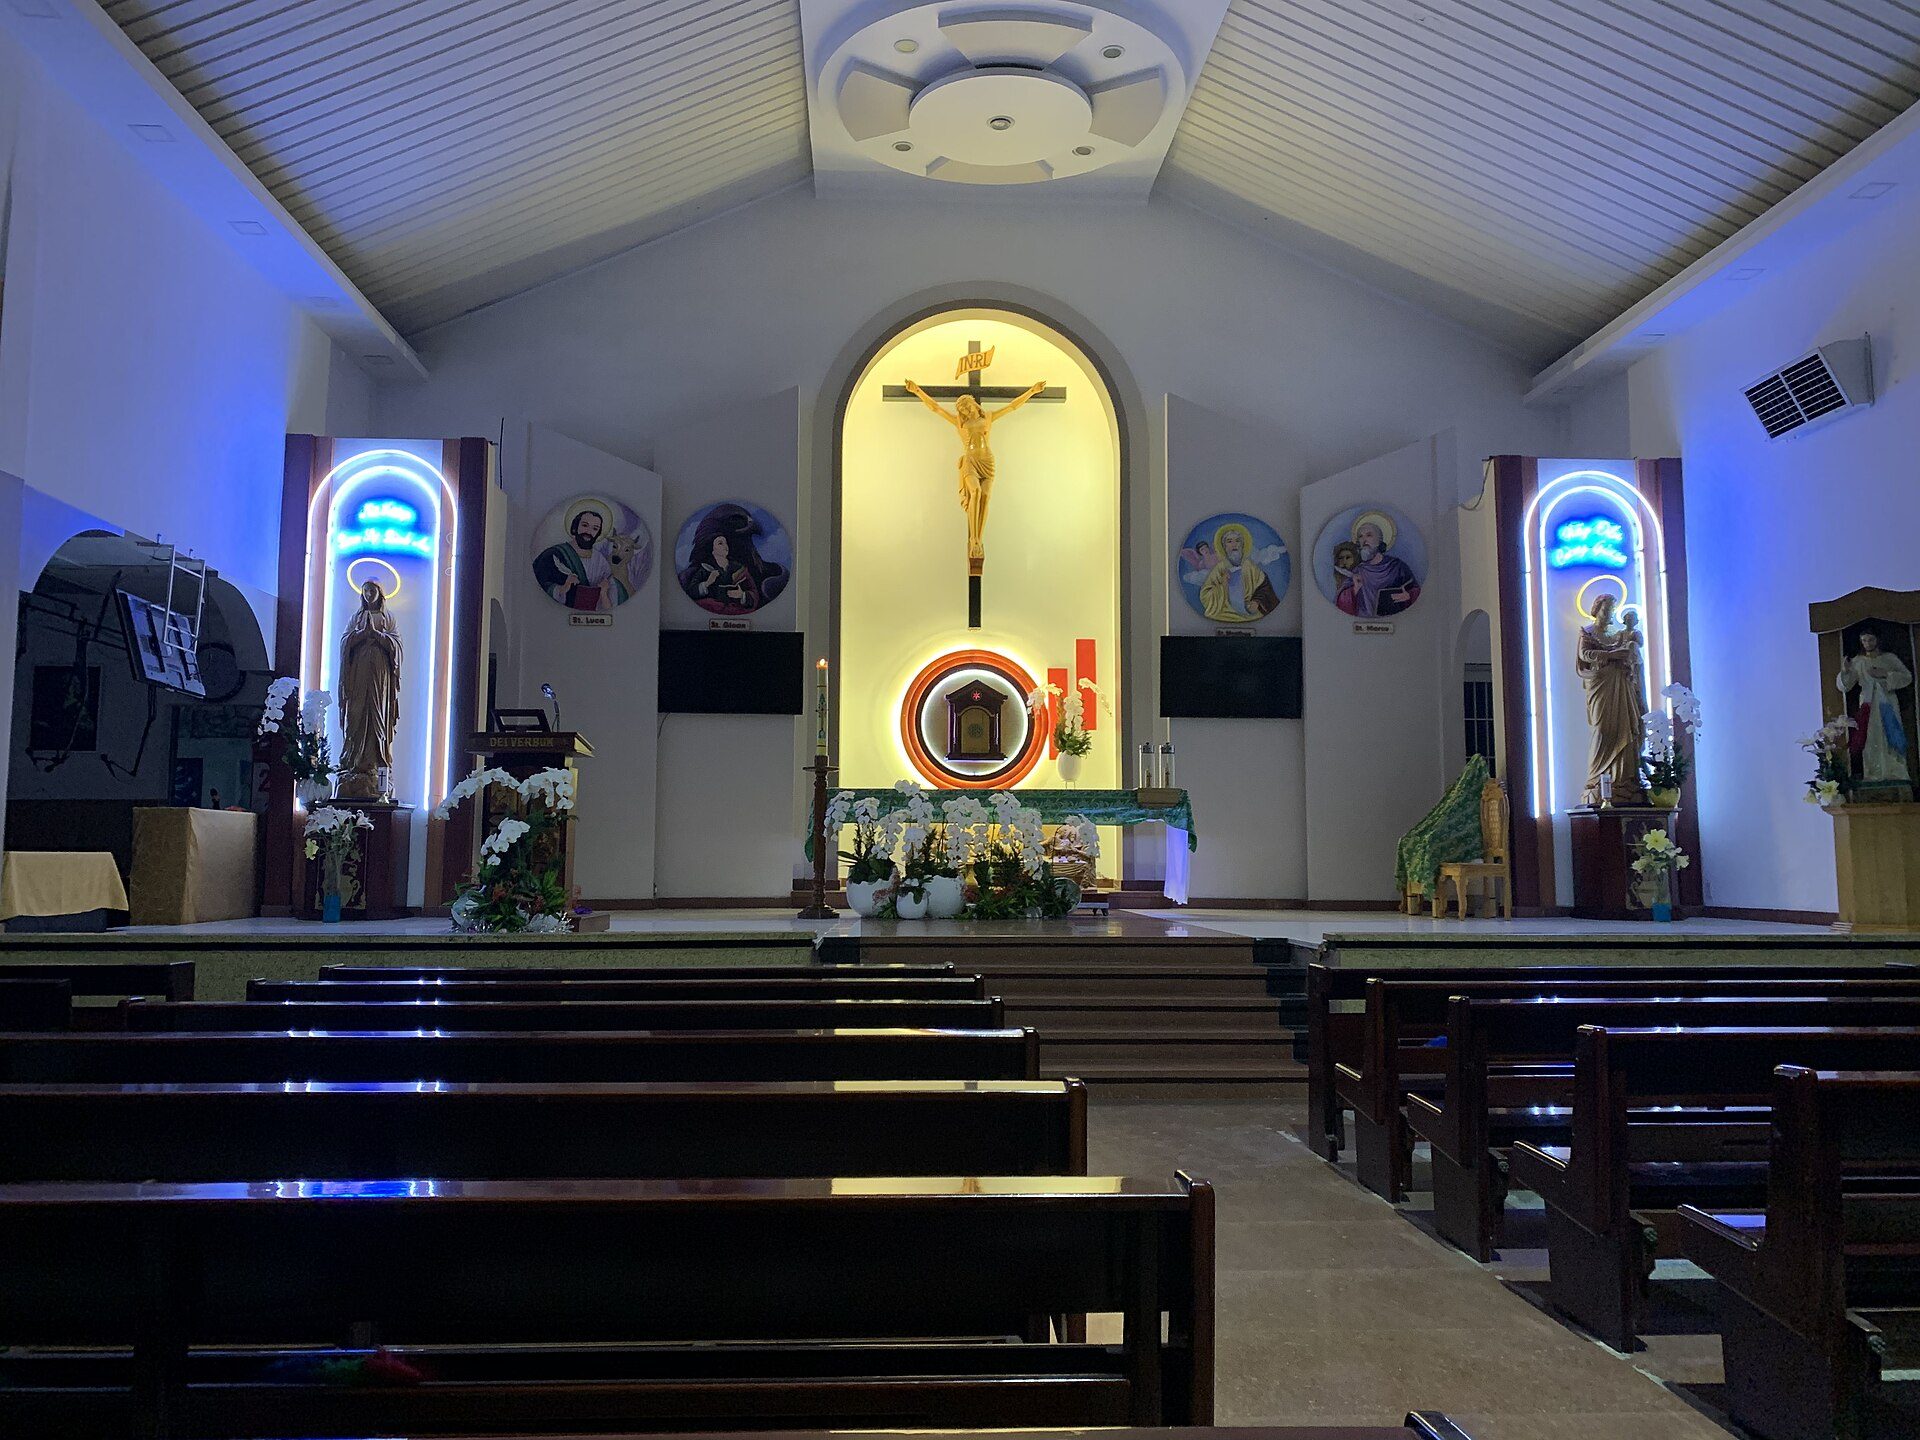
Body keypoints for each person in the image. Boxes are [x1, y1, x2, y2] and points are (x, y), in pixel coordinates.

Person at [903, 377, 1046, 567]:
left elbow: (1012, 407)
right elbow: (936, 408)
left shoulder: (988, 417)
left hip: (987, 461)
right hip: (970, 461)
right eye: (962, 410)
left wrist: (1032, 391)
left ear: (974, 404)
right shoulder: (959, 423)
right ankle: (973, 540)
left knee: (985, 496)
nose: (966, 411)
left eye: (967, 406)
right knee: (975, 492)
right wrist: (917, 391)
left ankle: (979, 537)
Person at [1576, 591, 1646, 806]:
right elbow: (1584, 655)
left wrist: (1630, 655)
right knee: (1603, 730)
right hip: (1601, 685)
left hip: (1622, 686)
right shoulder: (1587, 632)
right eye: (1606, 608)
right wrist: (1610, 656)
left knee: (1626, 730)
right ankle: (1597, 780)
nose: (1610, 613)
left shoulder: (1620, 634)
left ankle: (1624, 782)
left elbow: (1634, 653)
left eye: (1613, 610)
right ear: (1597, 609)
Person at [338, 579, 402, 800]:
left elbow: (396, 645)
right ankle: (354, 765)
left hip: (380, 677)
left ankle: (376, 766)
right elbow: (345, 642)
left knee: (377, 717)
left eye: (372, 590)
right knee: (356, 716)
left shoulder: (387, 618)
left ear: (380, 593)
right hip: (358, 676)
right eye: (365, 591)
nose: (368, 594)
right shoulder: (356, 618)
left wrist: (378, 636)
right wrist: (359, 636)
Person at [678, 503, 789, 616]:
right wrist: (706, 583)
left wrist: (742, 595)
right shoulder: (692, 577)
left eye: (725, 543)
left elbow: (752, 592)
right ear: (711, 547)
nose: (752, 524)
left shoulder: (773, 576)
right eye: (737, 520)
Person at [1837, 627, 1913, 783]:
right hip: (1867, 704)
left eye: (1870, 639)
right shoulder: (1858, 661)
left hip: (1887, 702)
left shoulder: (1889, 658)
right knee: (1871, 736)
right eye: (1864, 640)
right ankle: (1873, 773)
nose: (1867, 643)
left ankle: (1896, 772)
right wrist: (1845, 671)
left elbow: (1907, 677)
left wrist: (1886, 674)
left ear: (1877, 640)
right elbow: (1845, 686)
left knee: (1890, 733)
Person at [532, 505, 626, 610]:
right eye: (585, 525)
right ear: (575, 527)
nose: (589, 532)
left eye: (595, 528)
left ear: (598, 533)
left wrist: (604, 592)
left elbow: (610, 593)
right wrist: (562, 588)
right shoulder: (553, 555)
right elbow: (539, 586)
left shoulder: (600, 561)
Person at [1342, 512, 1421, 617]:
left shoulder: (1397, 567)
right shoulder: (1358, 571)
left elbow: (1417, 592)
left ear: (1379, 540)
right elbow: (1341, 602)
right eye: (1360, 537)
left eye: (1369, 535)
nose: (1364, 540)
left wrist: (1408, 596)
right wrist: (1355, 589)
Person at [1199, 522, 1280, 623]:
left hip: (1249, 613)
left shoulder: (1250, 567)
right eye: (1229, 541)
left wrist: (1256, 601)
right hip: (1225, 613)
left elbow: (1264, 587)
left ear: (1242, 545)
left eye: (1237, 541)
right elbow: (1205, 594)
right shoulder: (1219, 569)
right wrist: (1223, 585)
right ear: (1224, 547)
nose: (1234, 544)